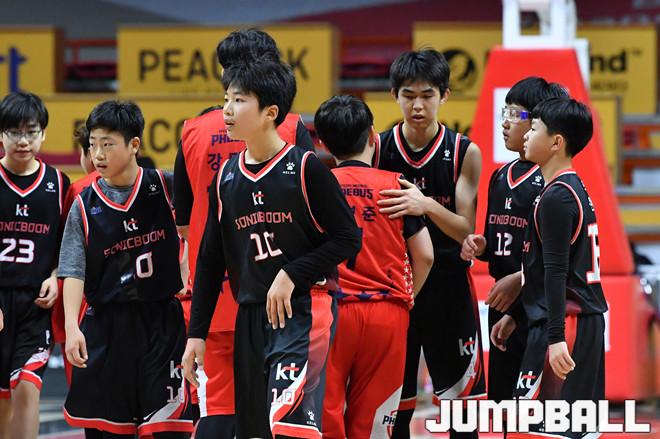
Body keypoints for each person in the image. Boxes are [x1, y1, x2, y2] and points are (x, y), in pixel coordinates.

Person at [182, 60, 360, 439]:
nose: (227, 110)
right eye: (226, 99)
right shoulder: (227, 177)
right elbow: (211, 261)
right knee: (257, 431)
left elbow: (348, 237)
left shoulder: (306, 168)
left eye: (239, 100)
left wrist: (292, 273)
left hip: (302, 311)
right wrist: (196, 334)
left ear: (270, 112)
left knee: (289, 427)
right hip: (250, 316)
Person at [59, 100, 194, 438]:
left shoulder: (165, 186)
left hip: (162, 323)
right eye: (93, 145)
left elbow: (199, 228)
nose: (98, 154)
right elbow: (73, 268)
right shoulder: (83, 204)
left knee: (168, 430)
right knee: (107, 432)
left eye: (107, 144)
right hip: (107, 326)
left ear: (134, 144)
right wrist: (72, 327)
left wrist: (186, 266)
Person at [374, 49, 484, 439]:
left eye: (427, 95)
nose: (417, 106)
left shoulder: (464, 152)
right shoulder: (379, 149)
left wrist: (425, 205)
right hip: (396, 287)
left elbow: (465, 230)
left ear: (444, 95)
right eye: (408, 95)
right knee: (394, 412)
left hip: (448, 286)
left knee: (462, 412)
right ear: (394, 95)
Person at [315, 95, 434, 438]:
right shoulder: (396, 185)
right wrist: (407, 296)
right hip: (386, 311)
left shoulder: (316, 185)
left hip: (332, 311)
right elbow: (425, 254)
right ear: (372, 136)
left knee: (325, 416)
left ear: (323, 143)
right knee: (376, 423)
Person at [493, 97, 607, 439]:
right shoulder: (569, 188)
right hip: (575, 320)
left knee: (542, 430)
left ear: (556, 142)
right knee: (571, 429)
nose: (527, 134)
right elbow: (545, 271)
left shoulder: (557, 197)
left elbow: (557, 274)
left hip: (566, 325)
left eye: (535, 128)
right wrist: (518, 314)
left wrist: (555, 338)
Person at [460, 77, 568, 404]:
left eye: (515, 114)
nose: (505, 123)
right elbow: (496, 245)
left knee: (536, 407)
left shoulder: (550, 181)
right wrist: (481, 246)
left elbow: (556, 257)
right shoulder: (499, 176)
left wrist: (519, 283)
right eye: (503, 112)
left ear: (539, 123)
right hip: (502, 305)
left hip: (537, 305)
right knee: (503, 402)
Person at [0, 91, 70, 439]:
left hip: (35, 307)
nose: (23, 140)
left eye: (31, 131)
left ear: (43, 134)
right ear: (1, 135)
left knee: (27, 388)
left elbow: (68, 247)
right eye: (14, 132)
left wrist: (56, 276)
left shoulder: (58, 184)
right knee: (3, 404)